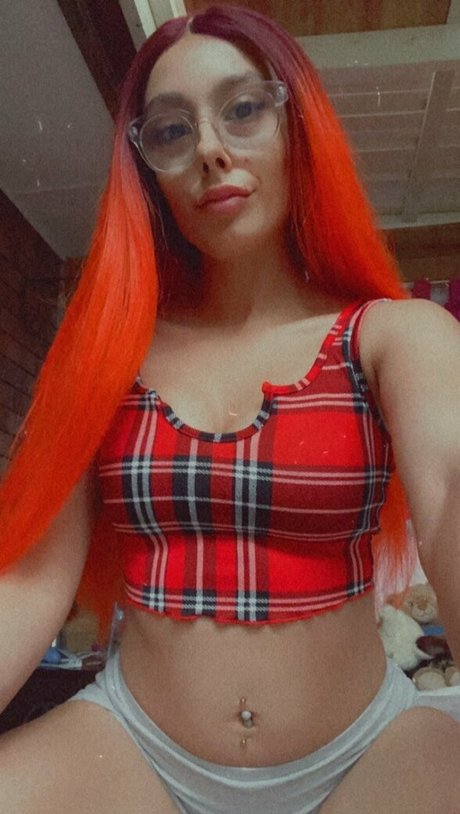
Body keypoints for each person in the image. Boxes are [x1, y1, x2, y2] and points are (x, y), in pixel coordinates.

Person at [0, 5, 459, 813]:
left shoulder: (394, 336)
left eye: (243, 109)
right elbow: (34, 579)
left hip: (369, 753)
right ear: (148, 168)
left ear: (297, 127)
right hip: (130, 748)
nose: (211, 149)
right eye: (172, 131)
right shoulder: (106, 354)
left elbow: (452, 494)